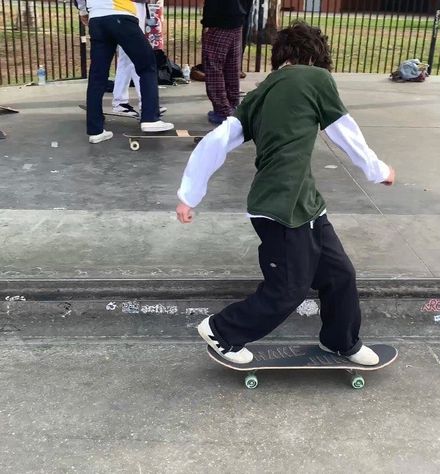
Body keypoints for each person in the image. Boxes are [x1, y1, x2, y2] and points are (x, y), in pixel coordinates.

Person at [176, 22, 395, 366]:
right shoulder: (315, 77)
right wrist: (378, 170)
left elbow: (216, 141)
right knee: (288, 289)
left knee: (339, 276)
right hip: (280, 209)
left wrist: (190, 194)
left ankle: (340, 341)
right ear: (312, 57)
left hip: (306, 207)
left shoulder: (260, 92)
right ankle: (222, 330)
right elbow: (344, 131)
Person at [77, 0, 173, 143]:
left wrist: (83, 11)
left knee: (97, 76)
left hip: (96, 18)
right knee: (147, 65)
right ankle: (150, 118)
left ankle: (95, 130)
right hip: (121, 15)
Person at [111, 1, 167, 118]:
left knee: (130, 58)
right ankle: (140, 102)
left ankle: (125, 101)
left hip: (134, 8)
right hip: (129, 8)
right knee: (135, 57)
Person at [201, 0, 246, 125]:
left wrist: (208, 22)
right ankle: (232, 105)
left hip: (218, 20)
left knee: (214, 67)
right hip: (238, 18)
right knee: (232, 66)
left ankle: (223, 110)